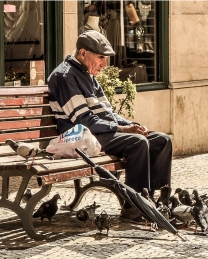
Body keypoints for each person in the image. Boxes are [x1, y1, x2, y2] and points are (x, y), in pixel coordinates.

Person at [47, 30, 172, 221]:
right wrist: (123, 129)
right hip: (81, 138)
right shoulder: (65, 77)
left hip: (98, 133)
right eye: (101, 58)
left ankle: (155, 202)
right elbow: (83, 120)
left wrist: (131, 124)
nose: (104, 65)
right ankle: (133, 207)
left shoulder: (87, 74)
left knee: (162, 140)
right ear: (83, 53)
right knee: (137, 143)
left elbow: (108, 113)